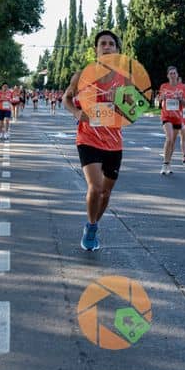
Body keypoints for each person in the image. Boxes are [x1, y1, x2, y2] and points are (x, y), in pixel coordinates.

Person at [63, 30, 126, 251]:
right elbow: (66, 98)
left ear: (117, 50)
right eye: (103, 44)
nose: (107, 47)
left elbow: (132, 111)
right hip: (88, 138)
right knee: (96, 187)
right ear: (96, 49)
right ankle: (90, 226)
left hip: (114, 142)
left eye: (111, 44)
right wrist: (76, 112)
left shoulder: (124, 79)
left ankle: (93, 224)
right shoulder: (81, 75)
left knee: (106, 193)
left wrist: (120, 104)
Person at [157, 66, 185, 175]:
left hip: (177, 118)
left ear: (177, 75)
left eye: (174, 73)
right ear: (168, 75)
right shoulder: (164, 86)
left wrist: (180, 99)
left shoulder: (182, 87)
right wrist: (162, 97)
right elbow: (158, 100)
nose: (173, 75)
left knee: (173, 142)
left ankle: (168, 163)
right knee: (169, 138)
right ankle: (164, 164)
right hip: (166, 116)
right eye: (171, 73)